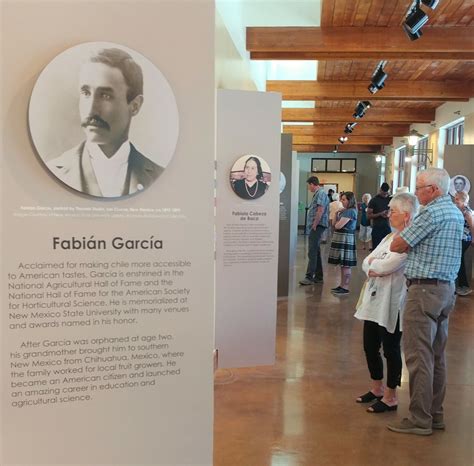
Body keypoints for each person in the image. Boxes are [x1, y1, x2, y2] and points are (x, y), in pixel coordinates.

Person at [387, 168, 464, 436]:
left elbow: (398, 245)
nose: (416, 193)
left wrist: (405, 237)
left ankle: (420, 419)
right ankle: (435, 413)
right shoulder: (455, 212)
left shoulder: (430, 213)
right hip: (445, 290)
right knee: (436, 355)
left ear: (433, 190)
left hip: (423, 291)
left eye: (419, 188)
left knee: (418, 356)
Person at [47, 47, 163, 198]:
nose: (91, 110)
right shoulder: (53, 172)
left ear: (135, 106)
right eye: (86, 93)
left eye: (105, 96)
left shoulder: (159, 177)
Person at [355, 193, 419, 413]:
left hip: (393, 301)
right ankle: (377, 388)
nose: (389, 214)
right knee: (370, 345)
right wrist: (373, 266)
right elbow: (366, 262)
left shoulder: (407, 241)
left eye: (393, 211)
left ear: (406, 215)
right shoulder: (389, 238)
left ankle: (391, 396)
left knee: (390, 349)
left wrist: (375, 266)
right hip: (374, 300)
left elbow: (386, 266)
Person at [299, 176, 330, 285]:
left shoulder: (320, 193)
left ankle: (309, 277)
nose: (309, 188)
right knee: (316, 251)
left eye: (309, 185)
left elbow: (320, 210)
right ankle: (319, 277)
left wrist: (315, 224)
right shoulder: (318, 194)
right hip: (317, 225)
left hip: (317, 226)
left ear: (312, 184)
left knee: (312, 251)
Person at [328, 191, 357, 295]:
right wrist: (336, 213)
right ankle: (342, 285)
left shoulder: (350, 211)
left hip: (345, 238)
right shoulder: (345, 211)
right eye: (341, 199)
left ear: (350, 200)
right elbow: (334, 223)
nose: (341, 201)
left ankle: (345, 287)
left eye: (344, 199)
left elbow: (338, 226)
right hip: (341, 237)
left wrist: (337, 222)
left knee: (346, 265)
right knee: (342, 264)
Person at [454, 191, 474, 296]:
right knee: (459, 260)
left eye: (457, 199)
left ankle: (464, 286)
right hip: (460, 239)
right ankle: (462, 286)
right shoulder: (459, 210)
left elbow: (472, 227)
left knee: (459, 260)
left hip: (465, 239)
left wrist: (473, 239)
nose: (455, 201)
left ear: (463, 200)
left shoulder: (467, 212)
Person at [367, 183, 391, 250]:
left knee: (387, 249)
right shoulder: (374, 200)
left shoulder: (391, 199)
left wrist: (389, 213)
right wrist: (380, 214)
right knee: (376, 249)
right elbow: (368, 216)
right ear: (380, 190)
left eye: (386, 194)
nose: (385, 195)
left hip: (388, 227)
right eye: (383, 194)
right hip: (377, 228)